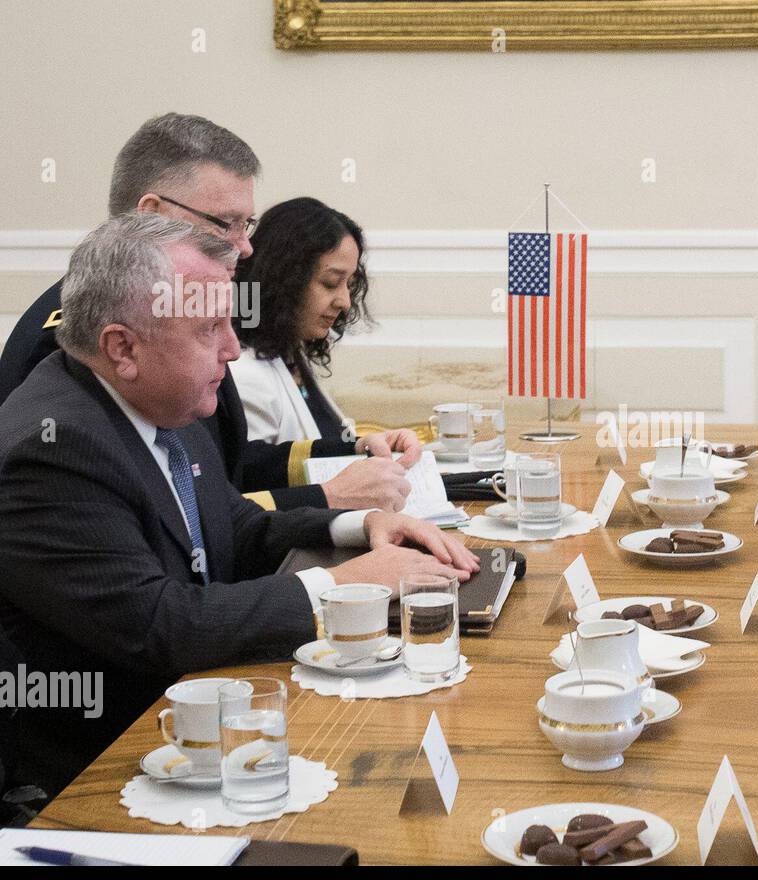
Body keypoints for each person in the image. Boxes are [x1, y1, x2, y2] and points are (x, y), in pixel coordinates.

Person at [0, 214, 480, 797]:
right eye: (210, 328)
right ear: (121, 347)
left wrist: (362, 526)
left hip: (212, 724)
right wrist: (343, 586)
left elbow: (230, 524)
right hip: (103, 773)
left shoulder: (157, 399)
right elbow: (160, 624)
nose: (233, 348)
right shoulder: (51, 450)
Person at [0, 112, 416, 513]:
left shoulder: (180, 309)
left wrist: (349, 449)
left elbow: (221, 464)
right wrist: (327, 497)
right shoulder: (74, 334)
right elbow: (176, 513)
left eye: (246, 224)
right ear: (153, 214)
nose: (246, 246)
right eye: (226, 223)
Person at [228, 198, 374, 448]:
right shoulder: (247, 377)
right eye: (330, 283)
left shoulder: (291, 356)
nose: (345, 302)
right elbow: (256, 480)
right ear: (284, 279)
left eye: (349, 285)